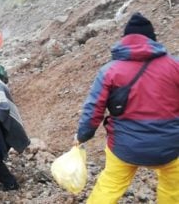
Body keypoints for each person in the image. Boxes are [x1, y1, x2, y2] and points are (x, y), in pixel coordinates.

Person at [75, 12, 179, 203]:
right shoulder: (174, 65)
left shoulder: (110, 71)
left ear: (125, 41)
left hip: (124, 147)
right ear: (153, 40)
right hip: (171, 147)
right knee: (173, 188)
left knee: (110, 184)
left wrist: (82, 136)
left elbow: (93, 109)